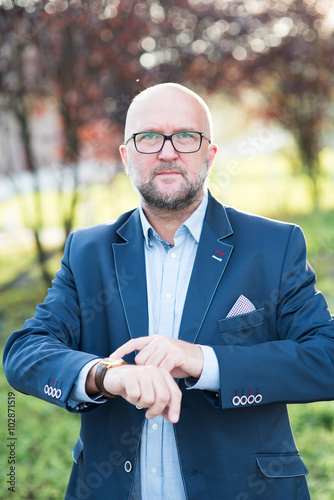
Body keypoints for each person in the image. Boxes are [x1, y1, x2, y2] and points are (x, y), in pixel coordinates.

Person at [3, 82, 334, 500]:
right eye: (148, 137)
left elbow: (328, 355)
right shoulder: (87, 252)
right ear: (126, 156)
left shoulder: (273, 246)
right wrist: (108, 376)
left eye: (185, 136)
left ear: (210, 154)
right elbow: (25, 350)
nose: (166, 151)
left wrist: (204, 362)